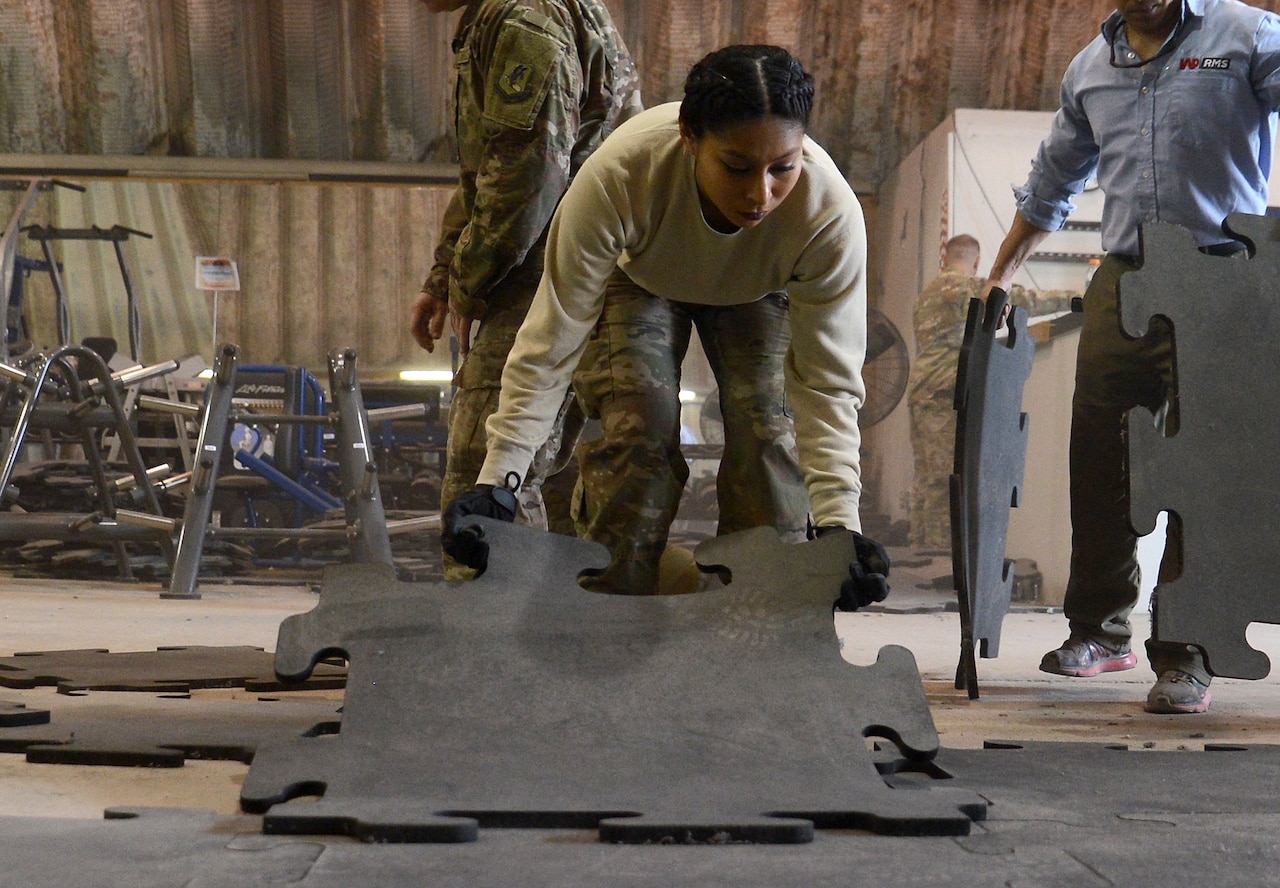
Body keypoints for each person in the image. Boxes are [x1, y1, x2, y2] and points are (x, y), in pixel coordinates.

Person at [440, 44, 889, 604]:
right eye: (737, 167)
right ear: (688, 136)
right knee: (640, 431)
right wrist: (499, 482)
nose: (760, 194)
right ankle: (611, 618)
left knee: (771, 436)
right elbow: (552, 340)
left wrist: (839, 526)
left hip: (760, 285)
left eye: (784, 168)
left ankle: (755, 625)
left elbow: (826, 384)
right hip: (642, 276)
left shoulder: (828, 216)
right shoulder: (619, 177)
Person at [983, 0, 1280, 714]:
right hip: (1122, 276)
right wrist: (998, 276)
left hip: (1223, 273)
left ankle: (1188, 650)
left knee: (1201, 471)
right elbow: (1052, 182)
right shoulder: (1089, 68)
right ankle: (1100, 630)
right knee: (1103, 458)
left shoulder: (1247, 36)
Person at [408, 0, 641, 572]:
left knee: (484, 481)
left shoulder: (521, 20)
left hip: (545, 269)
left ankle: (491, 650)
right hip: (583, 264)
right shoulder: (521, 13)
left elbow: (526, 177)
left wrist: (469, 282)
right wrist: (444, 274)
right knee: (562, 485)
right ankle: (554, 645)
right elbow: (494, 165)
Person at [908, 234, 1073, 551]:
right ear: (975, 261)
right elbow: (1018, 299)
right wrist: (1076, 298)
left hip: (923, 388)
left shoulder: (929, 292)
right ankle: (944, 552)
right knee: (946, 469)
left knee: (928, 470)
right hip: (943, 391)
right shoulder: (959, 288)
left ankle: (923, 543)